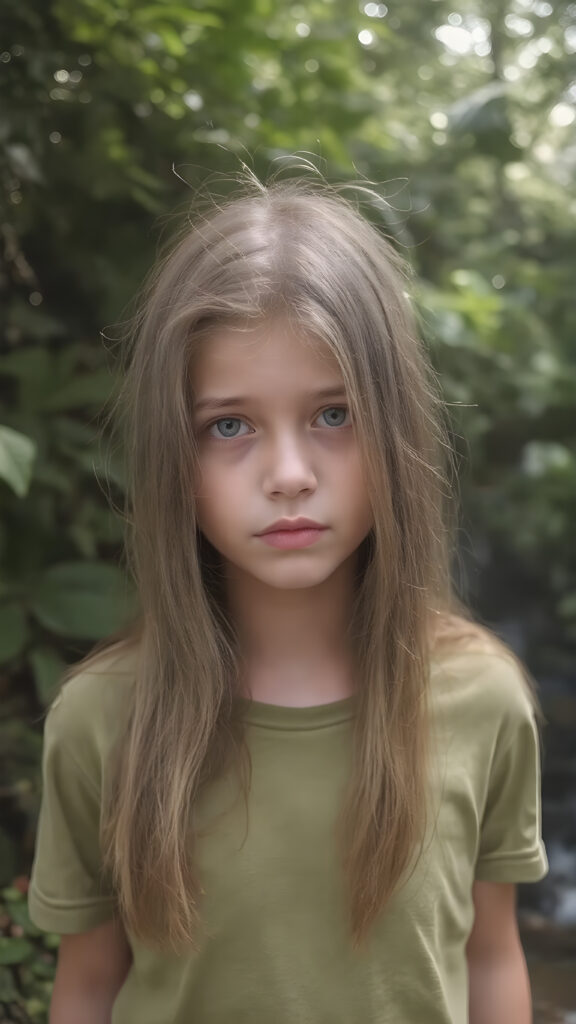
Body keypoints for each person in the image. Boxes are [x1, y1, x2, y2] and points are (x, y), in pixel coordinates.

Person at [28, 175, 548, 1024]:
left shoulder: (482, 699)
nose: (290, 475)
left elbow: (491, 961)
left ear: (397, 430)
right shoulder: (100, 720)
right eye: (229, 425)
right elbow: (86, 988)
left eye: (334, 414)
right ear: (174, 460)